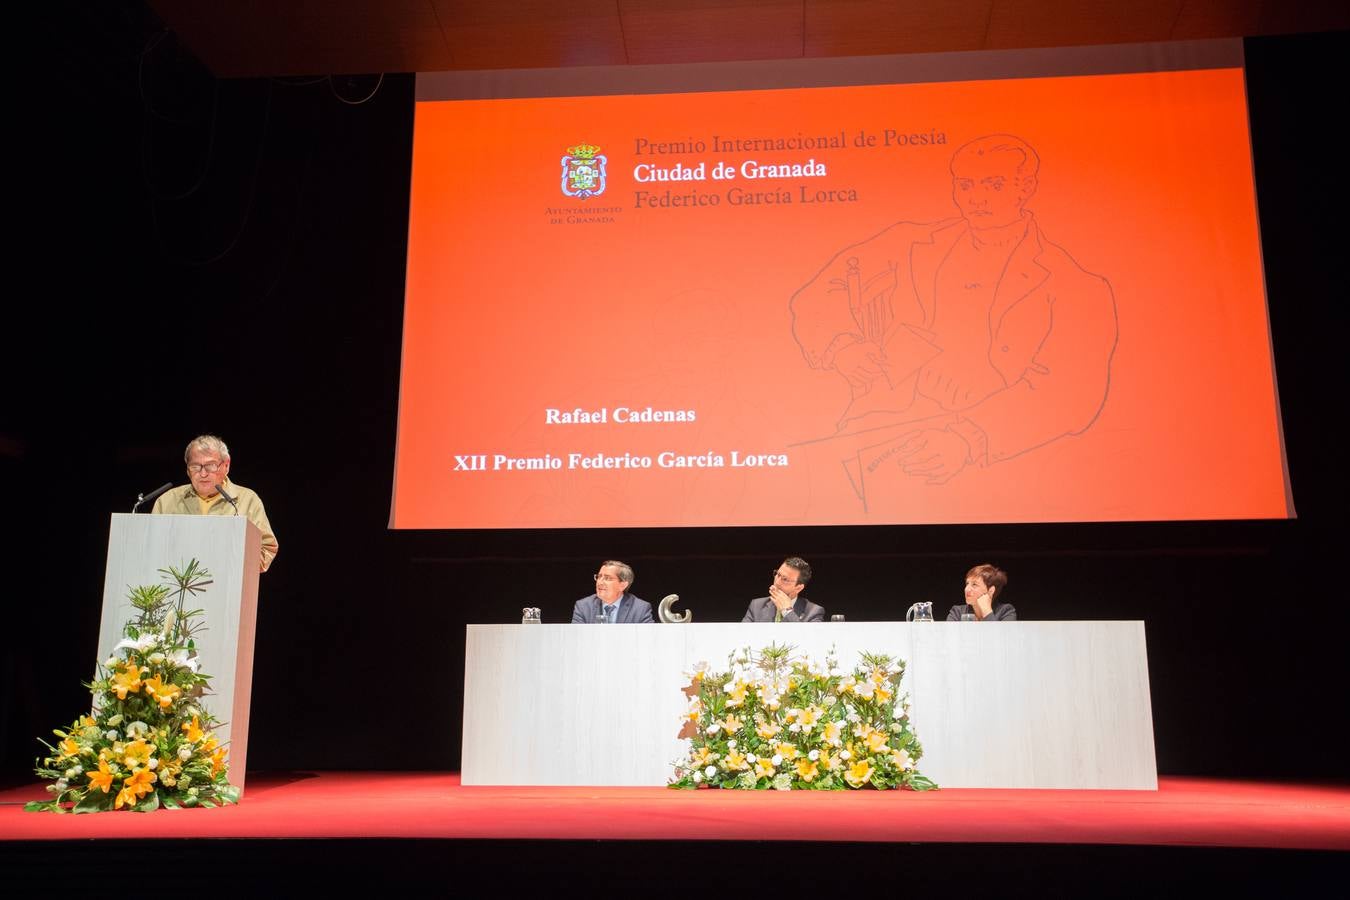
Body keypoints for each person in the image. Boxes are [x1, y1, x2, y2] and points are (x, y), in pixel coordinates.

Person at [791, 134, 1118, 490]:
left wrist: (968, 439)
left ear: (1025, 188)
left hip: (988, 451)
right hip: (875, 423)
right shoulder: (910, 242)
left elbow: (1068, 393)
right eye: (965, 185)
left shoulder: (1076, 284)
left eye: (994, 185)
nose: (977, 198)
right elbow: (818, 293)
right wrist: (842, 347)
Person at [152, 434, 278, 573]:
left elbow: (266, 548)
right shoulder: (167, 501)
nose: (203, 473)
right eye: (195, 466)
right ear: (188, 469)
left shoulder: (247, 500)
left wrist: (233, 563)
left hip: (229, 584)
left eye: (211, 466)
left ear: (226, 465)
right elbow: (152, 547)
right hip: (176, 586)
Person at [743, 557, 826, 622]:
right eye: (778, 574)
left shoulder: (814, 612)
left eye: (785, 579)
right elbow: (742, 637)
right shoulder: (756, 606)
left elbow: (806, 639)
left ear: (798, 588)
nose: (777, 582)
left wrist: (787, 611)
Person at [571, 560, 654, 623]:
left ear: (623, 585)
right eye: (599, 577)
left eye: (607, 578)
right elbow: (576, 638)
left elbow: (647, 639)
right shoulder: (583, 606)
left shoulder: (640, 609)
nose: (600, 582)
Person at [947, 563, 1016, 621]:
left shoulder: (1006, 611)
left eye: (974, 584)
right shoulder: (957, 612)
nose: (967, 589)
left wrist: (987, 611)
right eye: (967, 583)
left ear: (990, 591)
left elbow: (1000, 636)